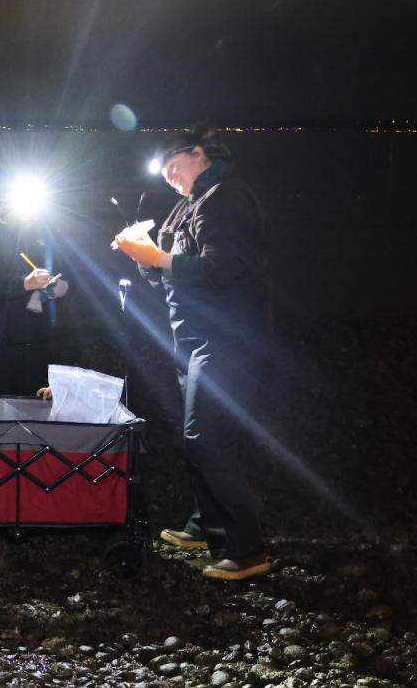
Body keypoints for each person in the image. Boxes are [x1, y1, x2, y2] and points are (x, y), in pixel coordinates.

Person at [115, 124, 272, 581]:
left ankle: (247, 551)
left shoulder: (226, 198)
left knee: (206, 438)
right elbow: (168, 274)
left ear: (200, 154)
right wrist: (143, 256)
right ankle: (207, 525)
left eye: (172, 165)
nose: (167, 176)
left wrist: (158, 259)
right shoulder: (189, 205)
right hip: (194, 340)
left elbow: (223, 268)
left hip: (229, 340)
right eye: (161, 171)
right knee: (203, 438)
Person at [0, 203, 68, 396]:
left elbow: (68, 275)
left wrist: (61, 287)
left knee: (31, 409)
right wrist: (24, 283)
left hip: (35, 340)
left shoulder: (47, 234)